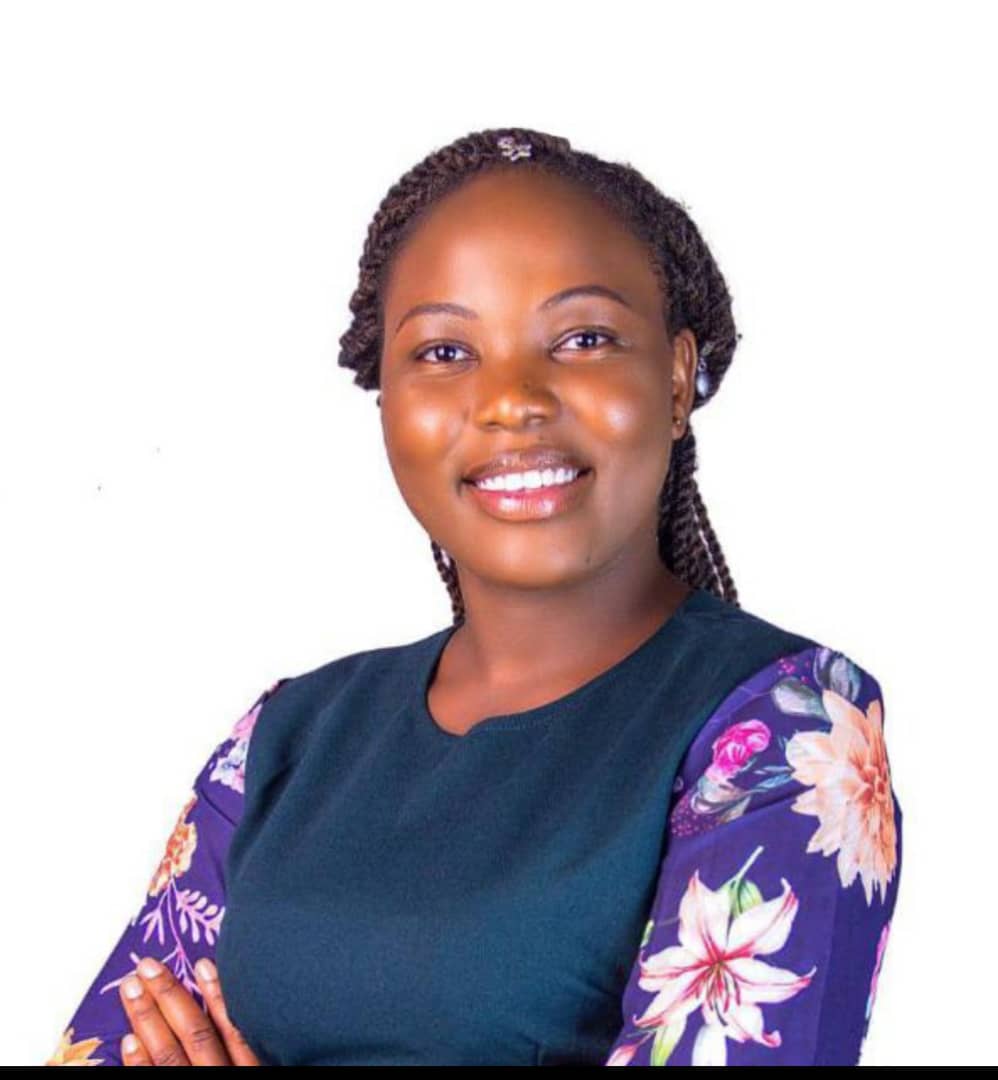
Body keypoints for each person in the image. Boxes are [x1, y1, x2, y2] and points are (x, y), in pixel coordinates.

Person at [46, 127, 903, 1067]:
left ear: (673, 377)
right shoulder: (288, 737)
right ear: (387, 400)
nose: (511, 400)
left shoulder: (787, 728)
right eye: (446, 352)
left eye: (583, 338)